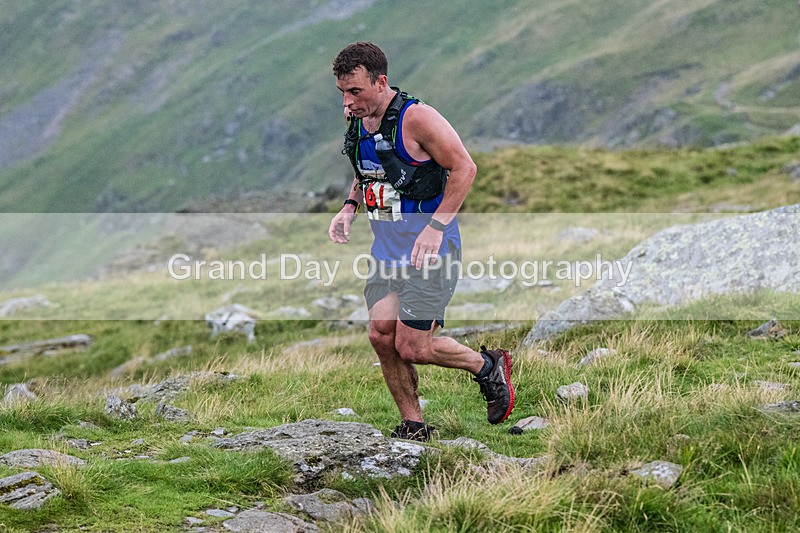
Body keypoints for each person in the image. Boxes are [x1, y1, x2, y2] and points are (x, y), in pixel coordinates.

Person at [328, 42, 514, 442]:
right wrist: (349, 206)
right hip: (386, 252)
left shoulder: (417, 118)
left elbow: (465, 168)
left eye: (355, 91)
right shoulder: (358, 119)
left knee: (413, 346)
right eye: (342, 92)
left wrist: (435, 227)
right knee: (381, 336)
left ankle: (487, 366)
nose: (347, 102)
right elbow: (367, 169)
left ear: (381, 82)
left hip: (430, 251)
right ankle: (414, 425)